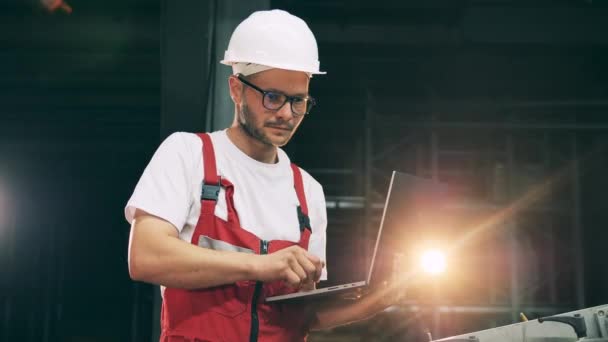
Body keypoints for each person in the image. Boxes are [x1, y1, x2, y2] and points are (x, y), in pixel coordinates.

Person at [126, 9, 402, 342]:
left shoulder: (307, 192)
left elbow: (303, 316)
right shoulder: (188, 154)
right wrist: (261, 265)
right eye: (273, 98)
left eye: (298, 101)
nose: (286, 114)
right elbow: (146, 256)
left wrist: (377, 302)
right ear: (236, 89)